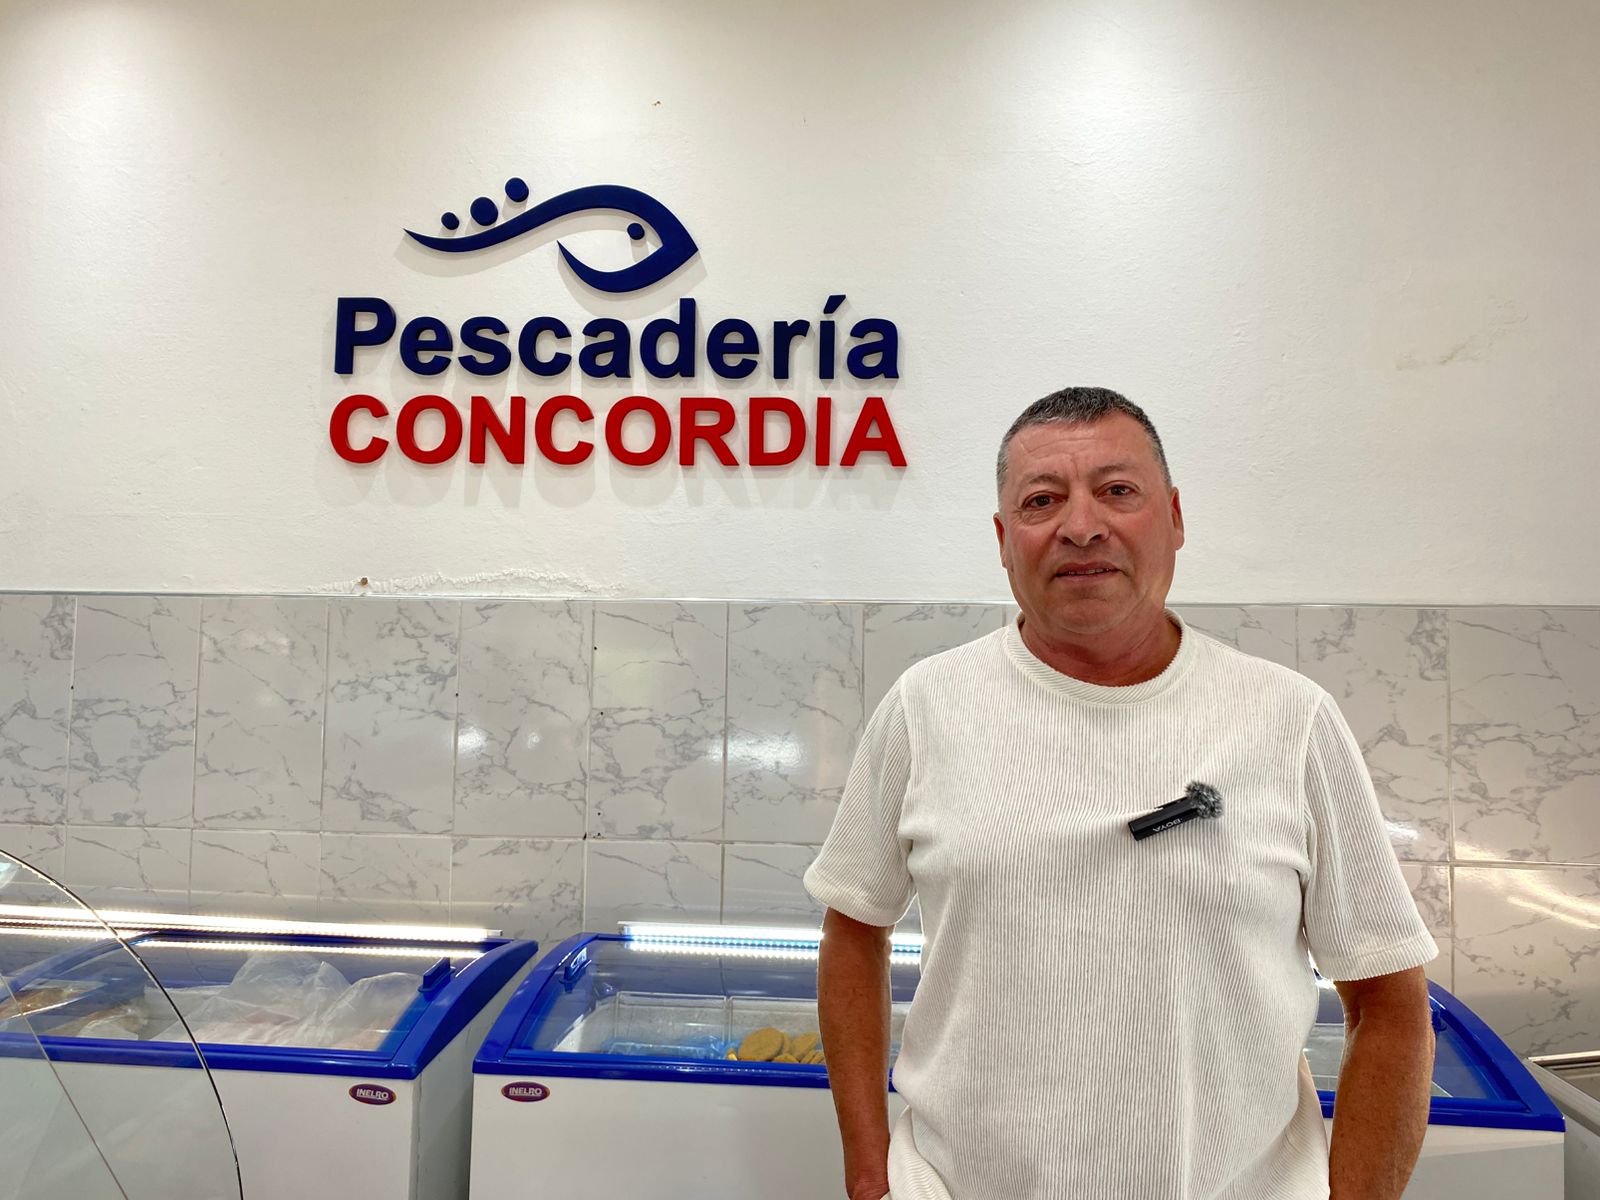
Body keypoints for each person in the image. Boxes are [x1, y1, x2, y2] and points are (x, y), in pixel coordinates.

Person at [803, 387, 1438, 1200]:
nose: (1081, 526)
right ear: (1003, 541)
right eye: (1041, 501)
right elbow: (853, 931)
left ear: (1173, 518)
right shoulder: (925, 707)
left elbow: (1388, 1003)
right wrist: (869, 1171)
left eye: (1116, 490)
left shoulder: (1291, 720)